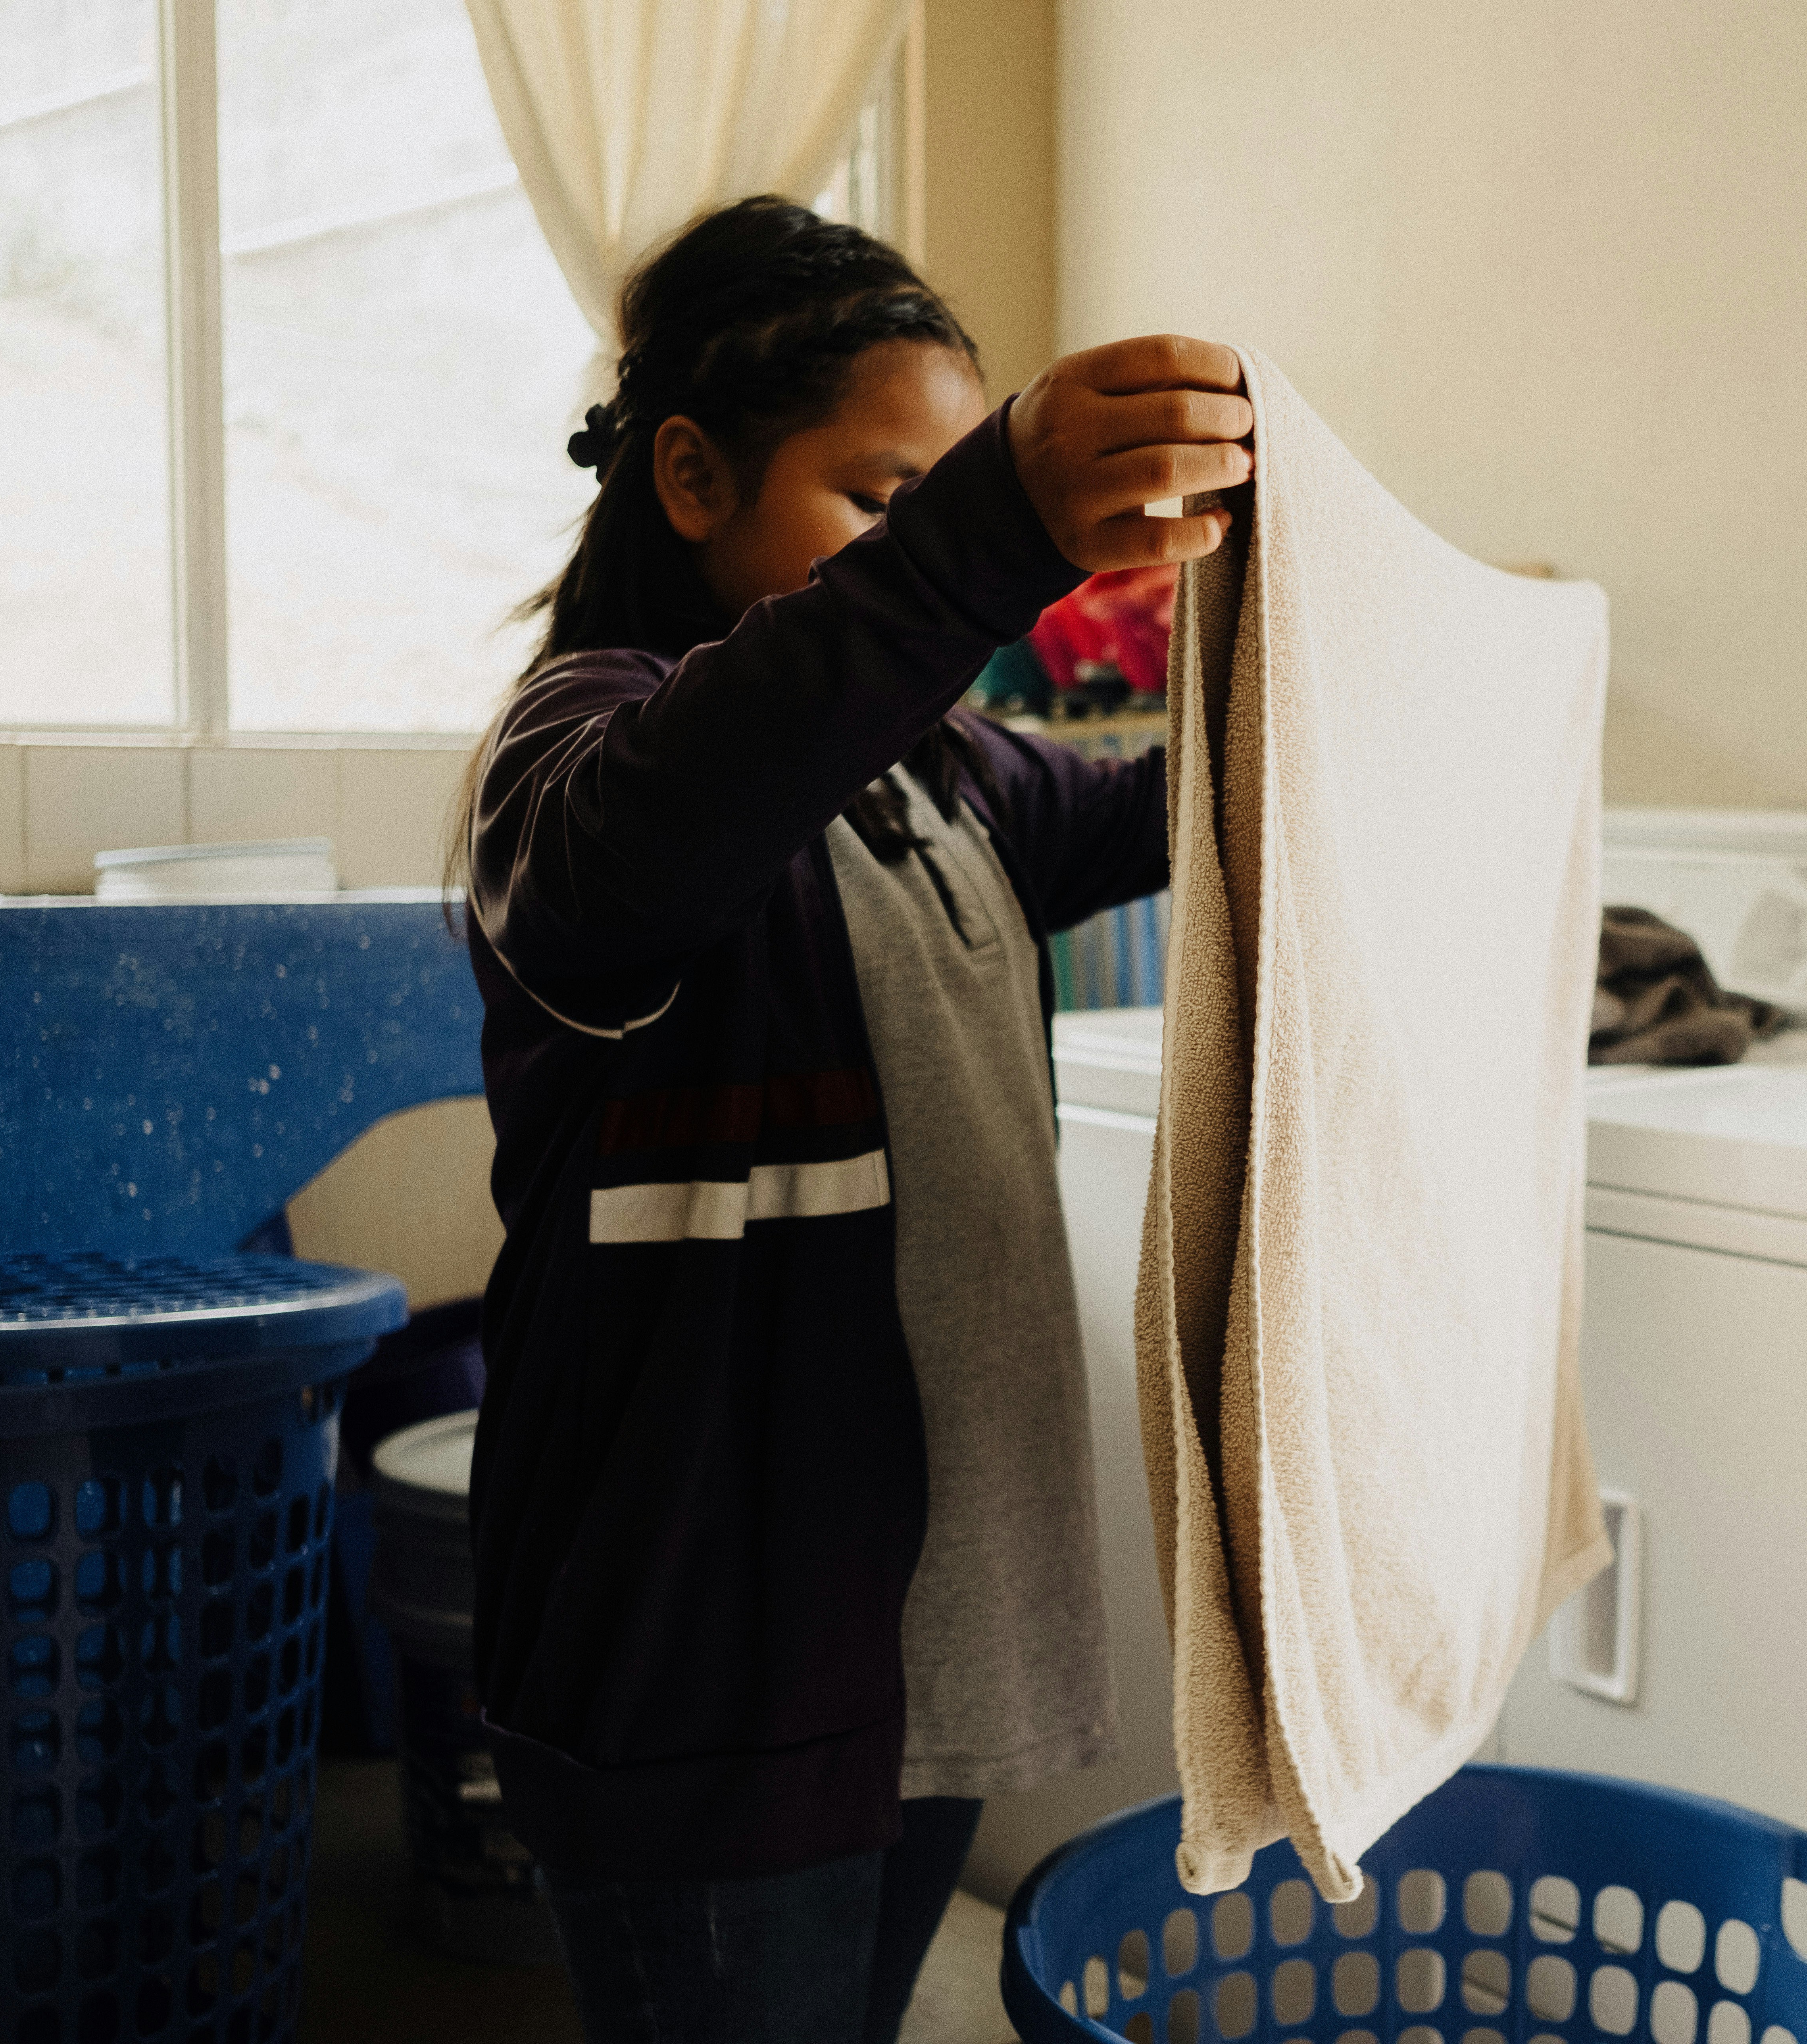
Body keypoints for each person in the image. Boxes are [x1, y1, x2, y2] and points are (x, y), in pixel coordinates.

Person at [448, 194, 1251, 2043]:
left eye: (942, 503)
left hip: (918, 1642)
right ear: (691, 478)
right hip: (707, 1669)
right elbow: (667, 826)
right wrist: (984, 534)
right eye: (880, 499)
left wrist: (1292, 617)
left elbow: (1172, 812)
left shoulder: (946, 773)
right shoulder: (574, 758)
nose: (930, 550)